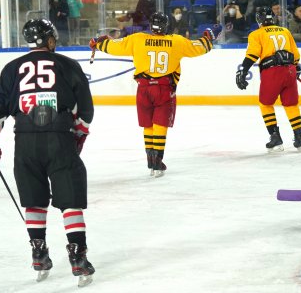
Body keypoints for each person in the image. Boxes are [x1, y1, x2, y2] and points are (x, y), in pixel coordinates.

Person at [0, 19, 95, 284]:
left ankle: (38, 252)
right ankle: (78, 256)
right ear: (50, 40)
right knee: (71, 200)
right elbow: (85, 110)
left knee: (34, 199)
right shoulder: (68, 65)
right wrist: (78, 136)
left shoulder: (11, 69)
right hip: (59, 136)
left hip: (26, 140)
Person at [90, 13, 219, 175]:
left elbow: (114, 46)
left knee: (148, 124)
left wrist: (99, 44)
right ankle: (158, 159)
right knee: (160, 124)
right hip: (164, 88)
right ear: (166, 26)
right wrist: (209, 37)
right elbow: (200, 48)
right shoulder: (176, 41)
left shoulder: (137, 39)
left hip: (143, 89)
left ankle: (150, 159)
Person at [235, 6, 301, 151]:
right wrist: (294, 67)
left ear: (259, 19)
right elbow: (296, 56)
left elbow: (252, 55)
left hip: (272, 72)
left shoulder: (256, 34)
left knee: (265, 104)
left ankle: (275, 137)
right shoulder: (285, 31)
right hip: (290, 70)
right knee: (291, 104)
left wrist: (243, 70)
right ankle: (299, 138)